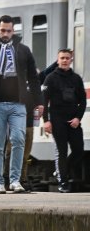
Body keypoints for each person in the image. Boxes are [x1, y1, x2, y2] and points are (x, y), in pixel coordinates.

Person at [0, 15, 42, 194]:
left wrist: (39, 101)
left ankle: (14, 180)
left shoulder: (22, 50)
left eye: (9, 31)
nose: (5, 34)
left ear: (14, 31)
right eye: (2, 30)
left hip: (18, 105)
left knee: (18, 139)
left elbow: (33, 78)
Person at [42, 49, 86, 193]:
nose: (65, 60)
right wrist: (46, 121)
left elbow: (83, 101)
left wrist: (78, 118)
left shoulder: (77, 79)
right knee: (62, 151)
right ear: (58, 60)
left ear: (71, 60)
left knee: (79, 150)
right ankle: (63, 183)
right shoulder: (50, 78)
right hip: (57, 119)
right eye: (62, 58)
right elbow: (44, 100)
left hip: (73, 120)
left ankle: (61, 170)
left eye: (67, 58)